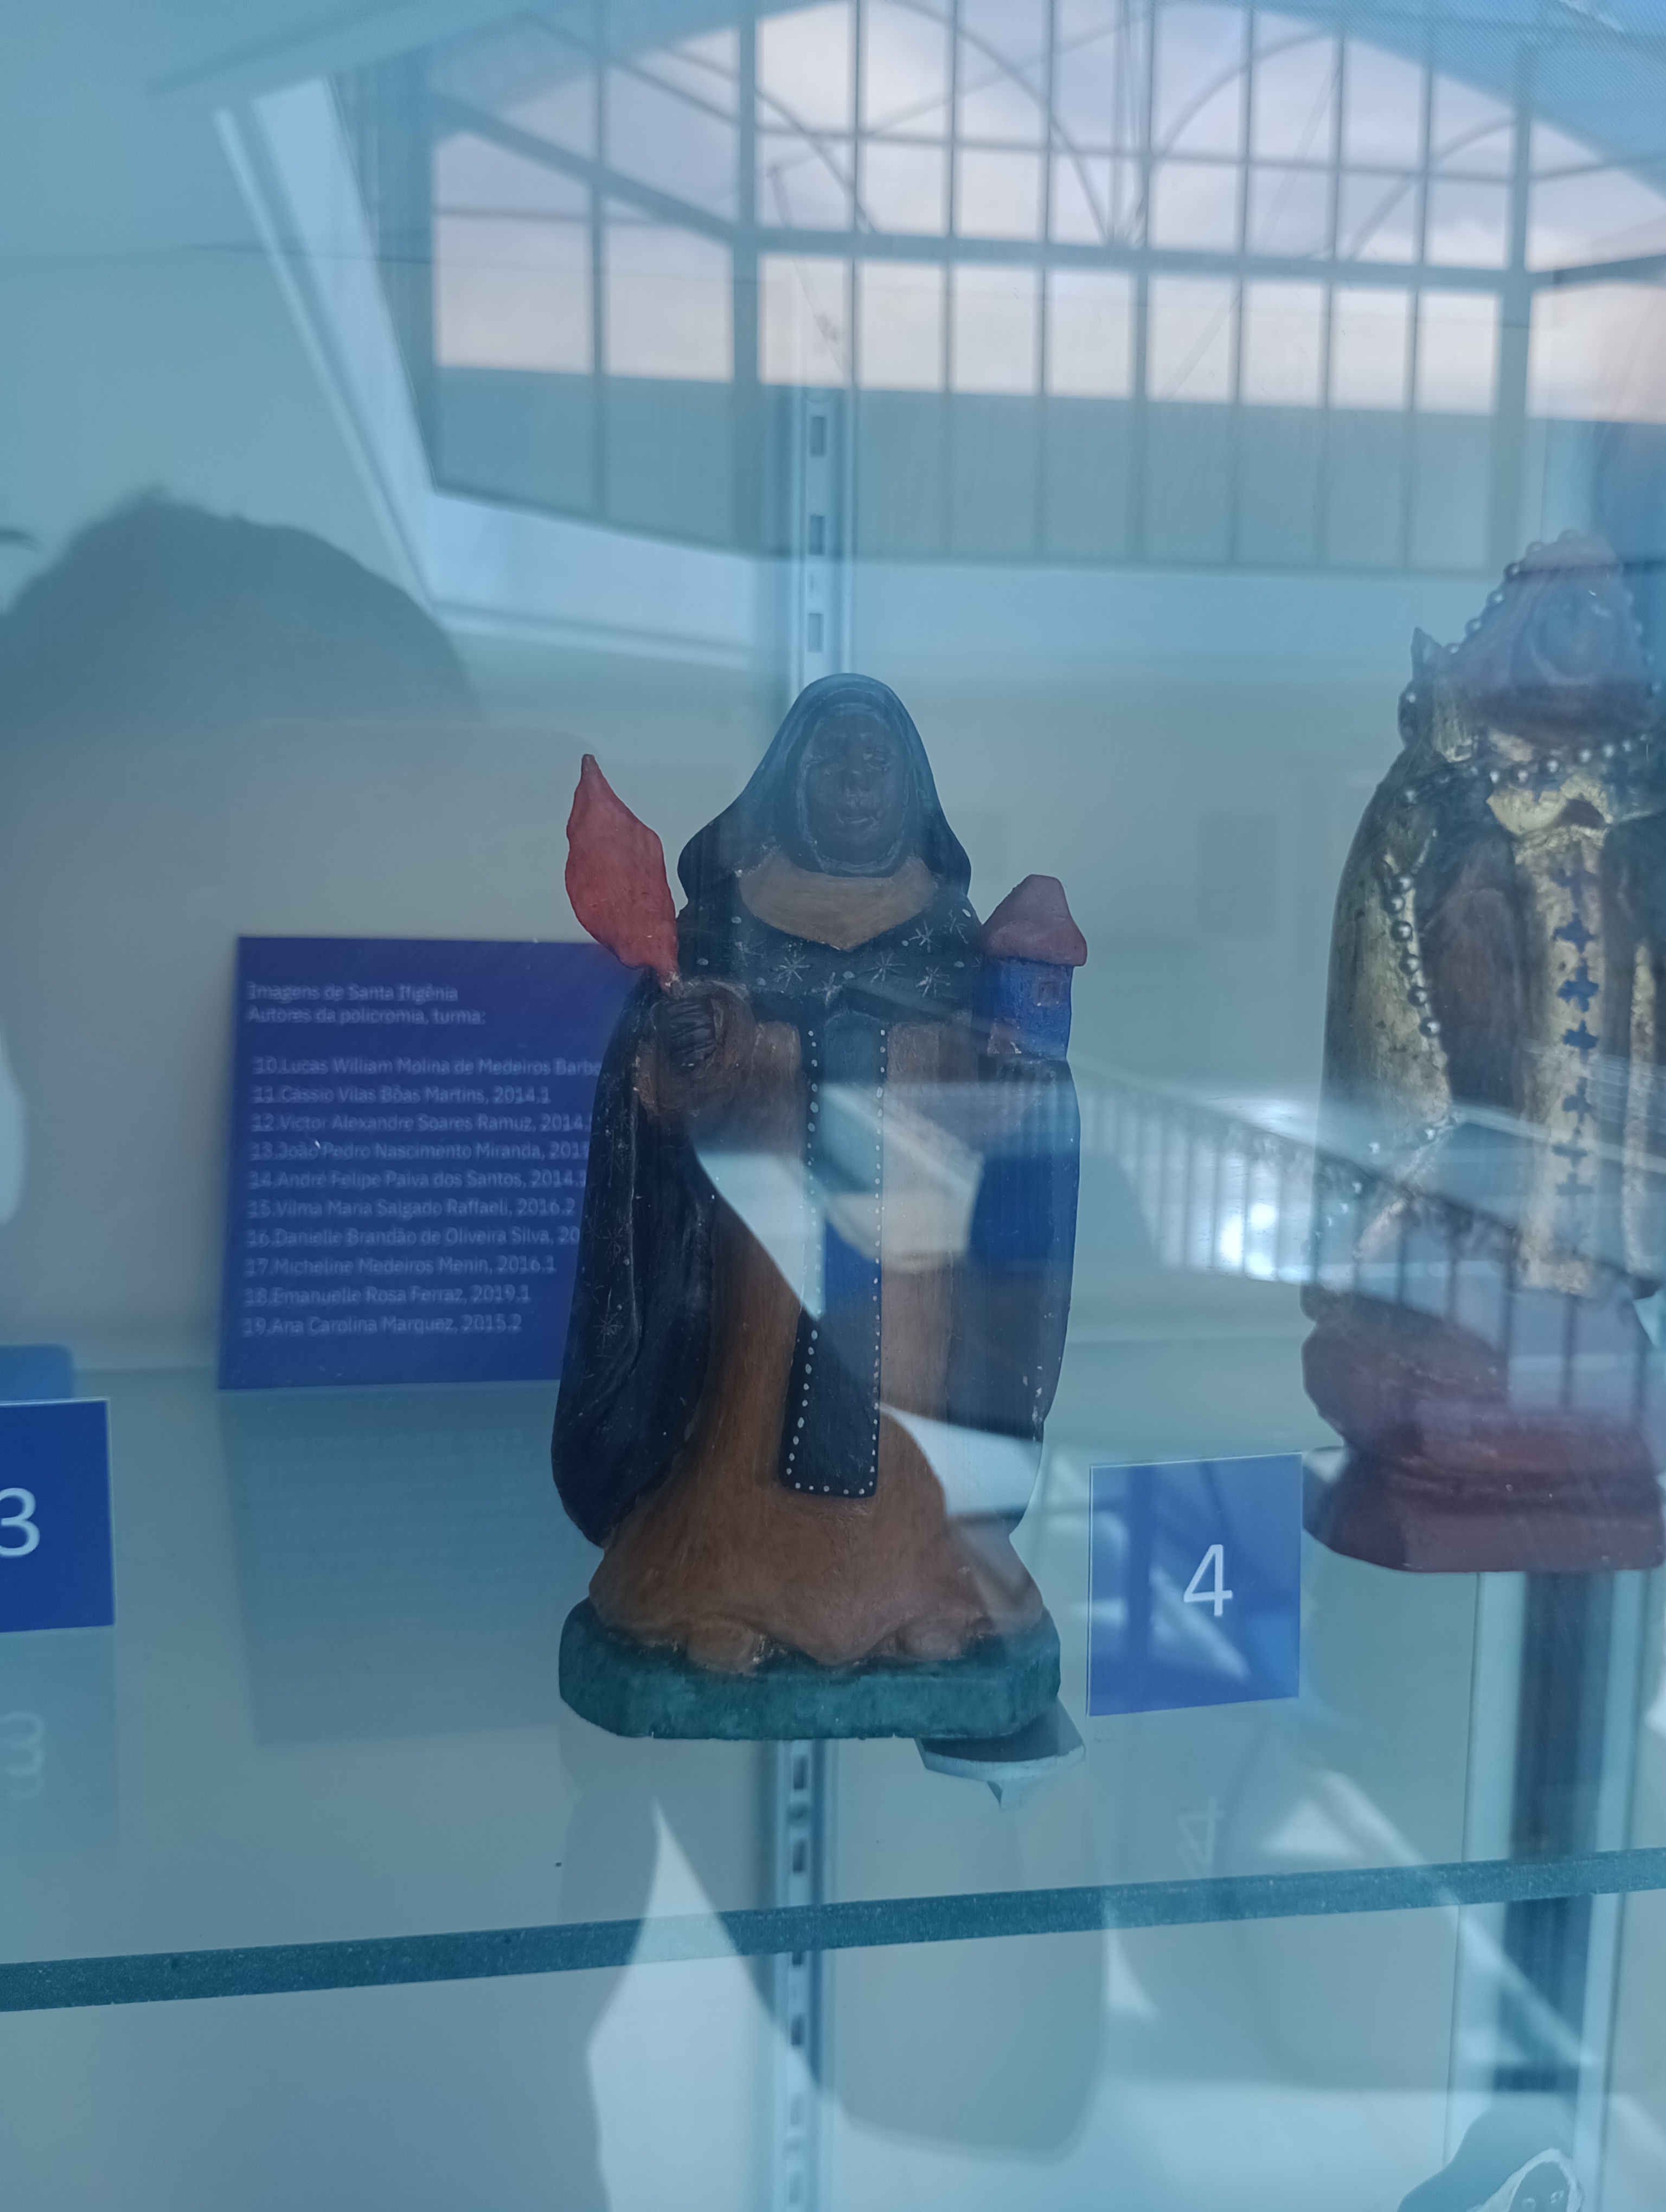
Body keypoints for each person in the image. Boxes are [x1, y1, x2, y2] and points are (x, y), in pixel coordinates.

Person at [553, 674, 1083, 1676]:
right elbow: (665, 1098)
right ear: (787, 781)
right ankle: (723, 1587)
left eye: (875, 759)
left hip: (915, 1268)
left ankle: (922, 1593)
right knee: (746, 1412)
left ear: (912, 790)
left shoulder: (951, 945)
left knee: (910, 1422)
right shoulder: (723, 932)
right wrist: (698, 1046)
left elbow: (1009, 1113)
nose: (853, 779)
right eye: (831, 757)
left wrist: (1017, 1075)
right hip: (764, 1259)